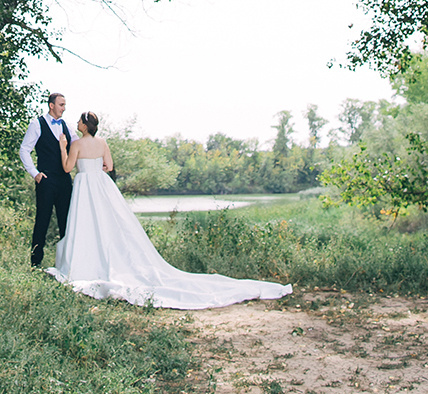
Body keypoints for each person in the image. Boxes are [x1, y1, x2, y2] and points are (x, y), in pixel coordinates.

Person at [48, 111, 292, 310]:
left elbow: (68, 167)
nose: (77, 123)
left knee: (86, 227)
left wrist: (62, 147)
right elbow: (109, 166)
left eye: (79, 121)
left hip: (84, 187)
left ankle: (86, 263)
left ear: (85, 126)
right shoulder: (102, 143)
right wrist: (97, 169)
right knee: (109, 227)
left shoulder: (76, 144)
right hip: (102, 186)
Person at [18, 91, 75, 267]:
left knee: (66, 221)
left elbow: (79, 146)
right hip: (46, 180)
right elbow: (24, 150)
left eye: (64, 105)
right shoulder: (37, 124)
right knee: (42, 220)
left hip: (65, 181)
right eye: (61, 105)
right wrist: (35, 173)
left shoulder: (67, 126)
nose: (64, 109)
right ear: (52, 105)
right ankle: (35, 263)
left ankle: (66, 263)